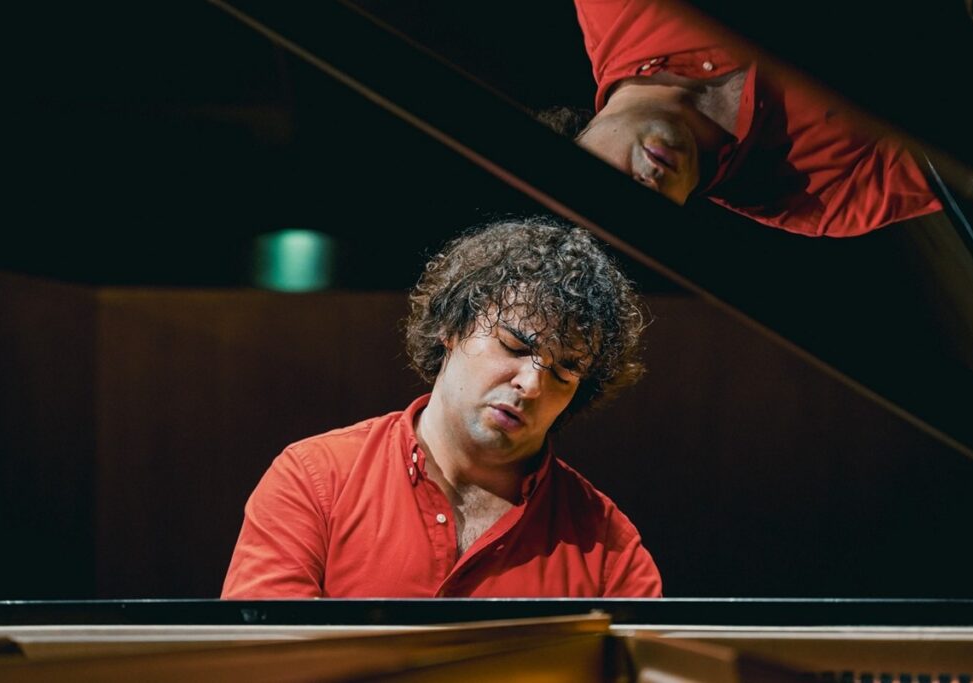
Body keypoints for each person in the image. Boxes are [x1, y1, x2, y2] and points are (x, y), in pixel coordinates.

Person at [222, 217, 662, 598]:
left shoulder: (610, 548)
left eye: (564, 372)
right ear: (451, 327)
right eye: (513, 346)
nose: (531, 385)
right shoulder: (315, 479)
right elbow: (260, 655)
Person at [570, 0, 942, 237]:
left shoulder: (610, 8)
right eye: (644, 221)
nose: (648, 188)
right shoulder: (815, 200)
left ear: (572, 140)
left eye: (611, 191)